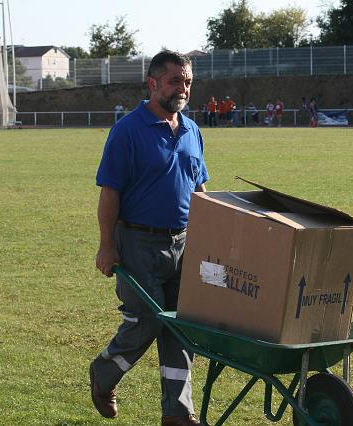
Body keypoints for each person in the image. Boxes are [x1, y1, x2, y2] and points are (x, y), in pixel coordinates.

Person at [92, 50, 209, 426]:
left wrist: (214, 235)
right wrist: (106, 245)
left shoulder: (192, 130)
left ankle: (177, 412)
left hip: (184, 243)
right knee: (147, 321)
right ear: (153, 83)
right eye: (175, 80)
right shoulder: (127, 130)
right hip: (138, 243)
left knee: (181, 324)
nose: (183, 88)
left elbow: (200, 188)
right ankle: (104, 373)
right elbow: (110, 193)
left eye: (187, 81)